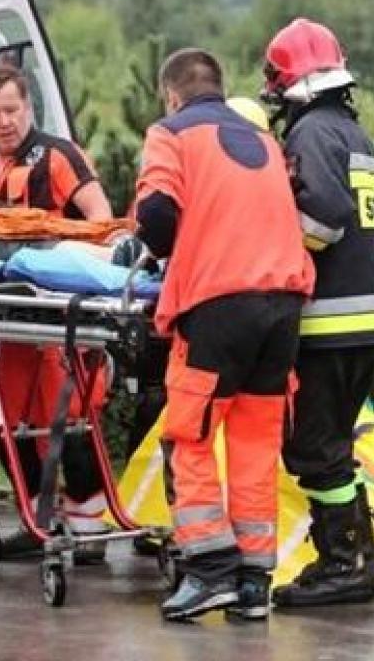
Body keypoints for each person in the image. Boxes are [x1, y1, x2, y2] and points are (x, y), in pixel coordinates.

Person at [135, 48, 314, 621]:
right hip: (283, 307)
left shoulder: (170, 133)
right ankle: (252, 583)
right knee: (255, 442)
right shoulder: (263, 140)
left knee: (189, 437)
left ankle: (209, 572)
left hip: (218, 304)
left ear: (171, 94)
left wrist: (165, 250)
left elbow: (156, 215)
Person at [260, 17, 374, 608]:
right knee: (333, 447)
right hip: (365, 321)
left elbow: (327, 214)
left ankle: (345, 564)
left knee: (314, 451)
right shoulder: (353, 134)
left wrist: (278, 251)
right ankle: (356, 561)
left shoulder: (310, 133)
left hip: (329, 323)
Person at [0, 64, 114, 560]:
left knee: (68, 417)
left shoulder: (57, 156)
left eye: (12, 110)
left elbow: (101, 220)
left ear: (28, 108)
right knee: (11, 418)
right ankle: (38, 518)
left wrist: (61, 254)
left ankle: (89, 525)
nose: (5, 121)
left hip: (61, 315)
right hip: (10, 319)